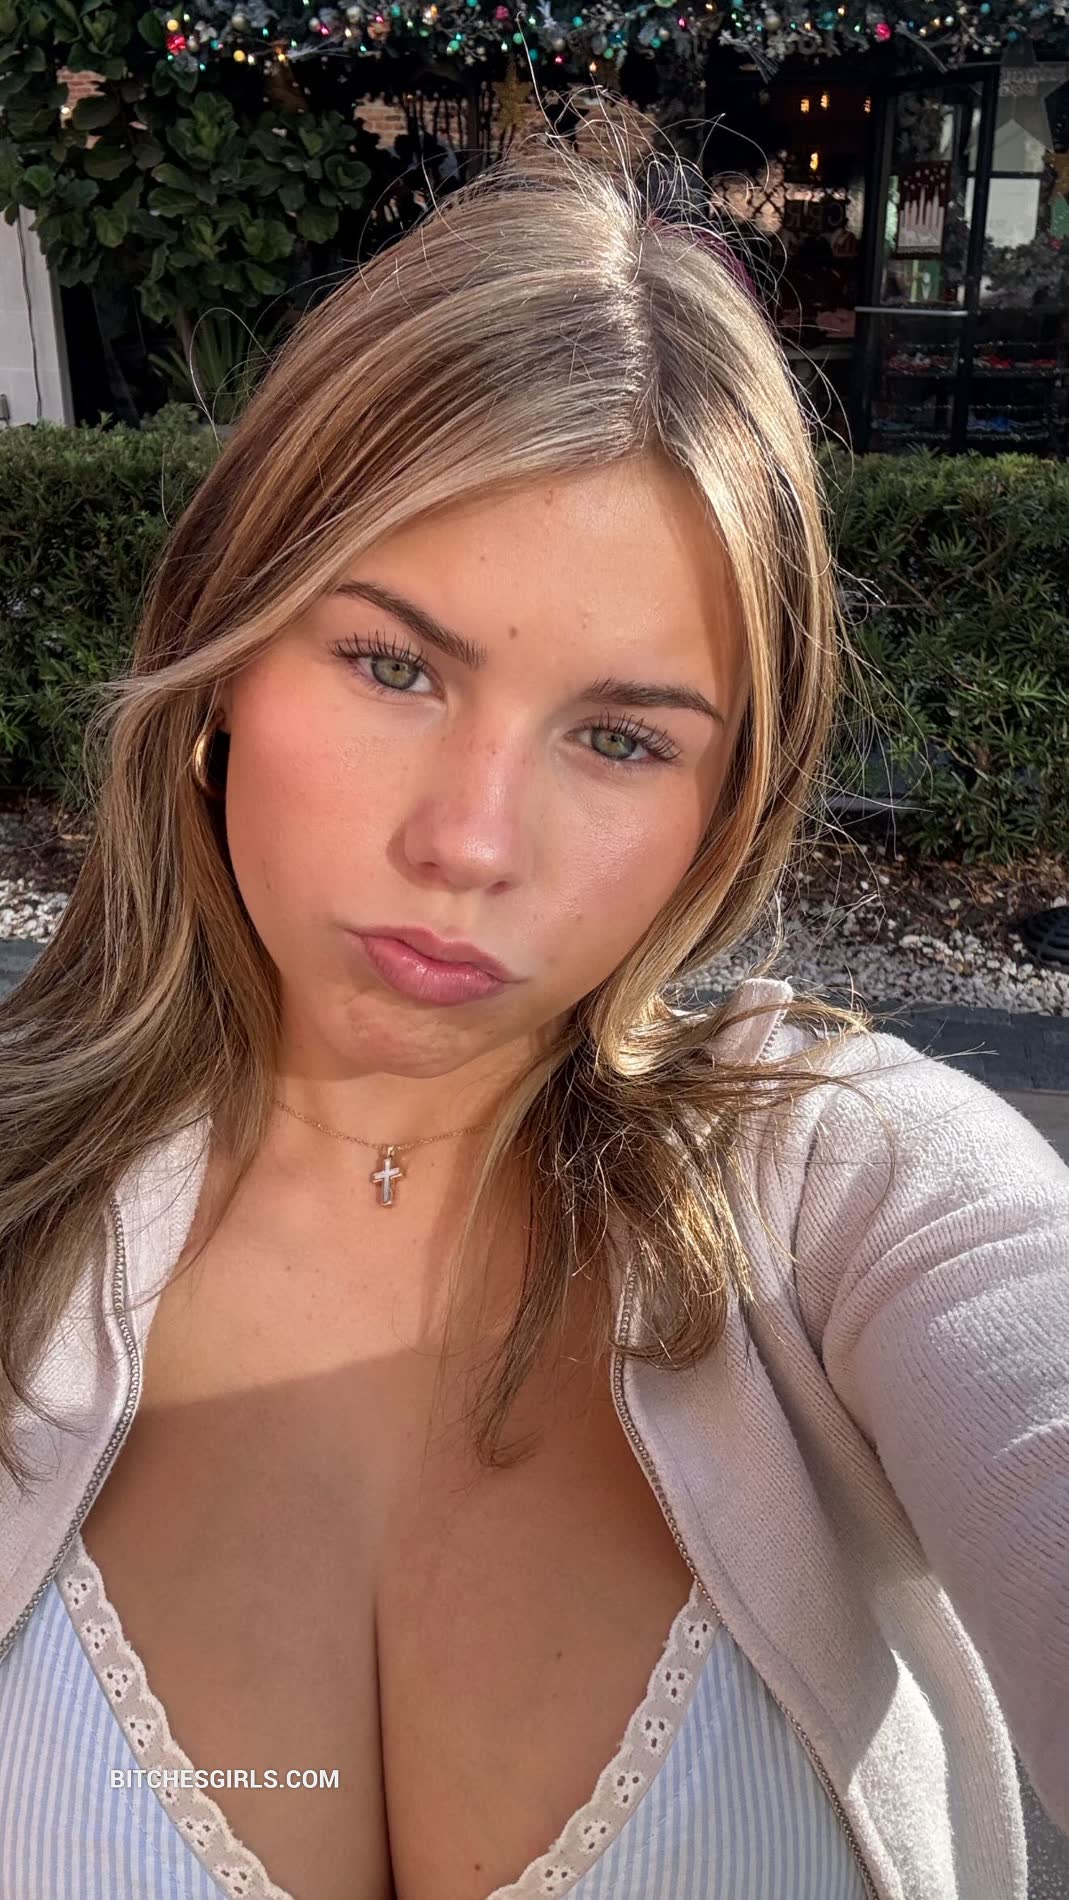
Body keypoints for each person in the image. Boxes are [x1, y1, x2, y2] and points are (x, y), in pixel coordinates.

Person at [0, 102, 1067, 1900]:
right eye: (391, 664)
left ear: (725, 800)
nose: (470, 843)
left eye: (621, 738)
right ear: (221, 656)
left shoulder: (851, 1192)